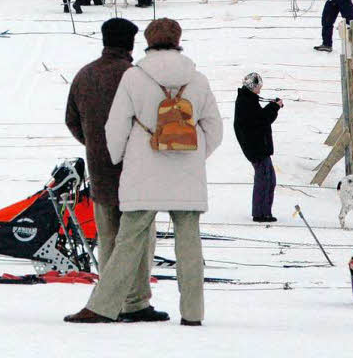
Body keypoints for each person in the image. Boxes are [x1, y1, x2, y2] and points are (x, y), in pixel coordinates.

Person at [65, 18, 222, 326]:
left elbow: (116, 128)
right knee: (189, 244)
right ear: (178, 41)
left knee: (127, 241)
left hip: (142, 172)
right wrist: (194, 156)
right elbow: (214, 129)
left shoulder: (135, 77)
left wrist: (122, 158)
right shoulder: (198, 79)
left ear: (148, 42)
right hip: (187, 173)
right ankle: (192, 313)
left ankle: (103, 306)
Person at [65, 18, 167, 323]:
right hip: (136, 171)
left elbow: (72, 119)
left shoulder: (85, 75)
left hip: (100, 170)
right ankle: (134, 302)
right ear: (131, 44)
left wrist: (94, 144)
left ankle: (108, 299)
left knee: (108, 238)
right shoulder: (139, 77)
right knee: (139, 238)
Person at [233, 73, 283, 223]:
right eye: (259, 87)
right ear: (252, 87)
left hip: (258, 147)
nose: (260, 90)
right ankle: (260, 214)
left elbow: (260, 118)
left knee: (269, 180)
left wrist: (273, 106)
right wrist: (274, 106)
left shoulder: (247, 99)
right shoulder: (246, 101)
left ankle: (264, 212)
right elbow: (262, 120)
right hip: (256, 148)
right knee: (264, 180)